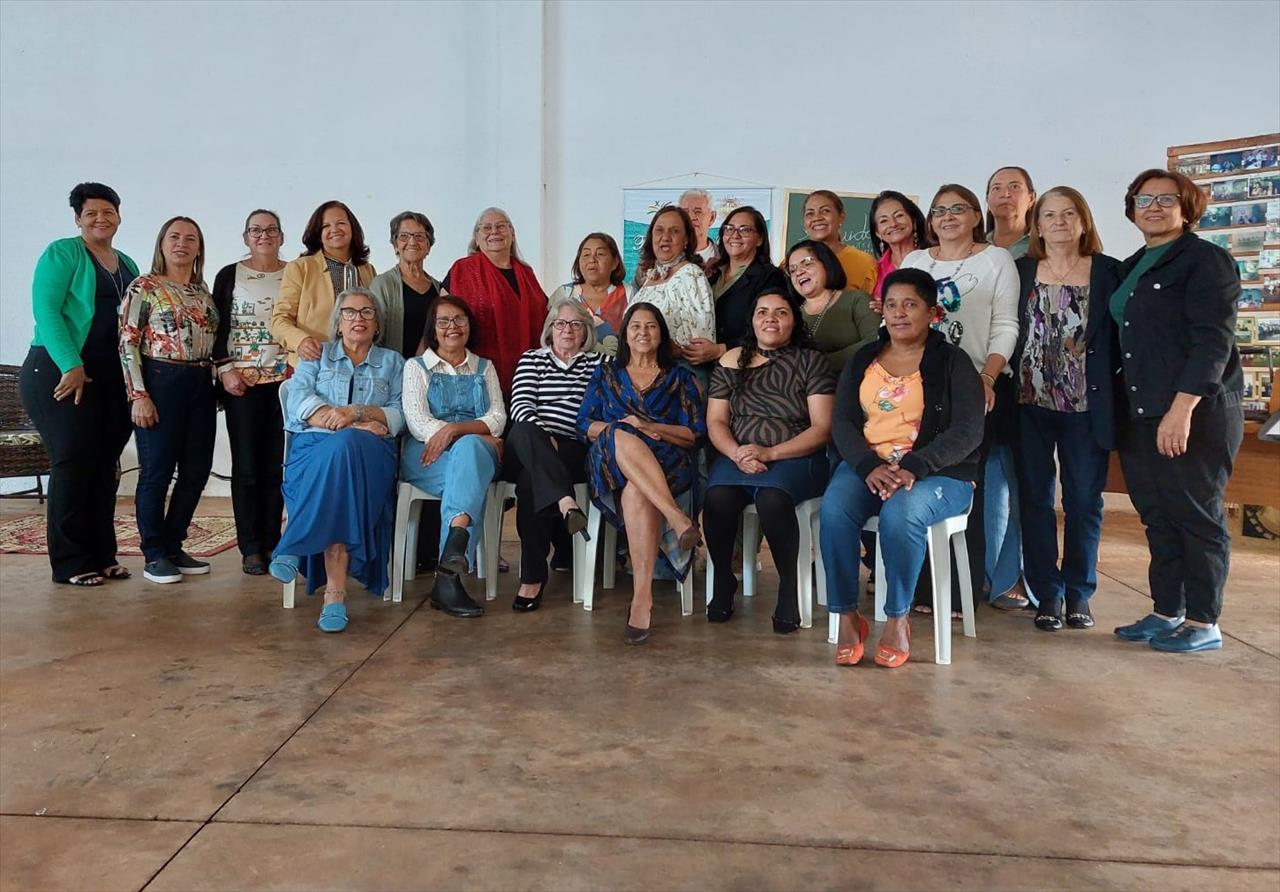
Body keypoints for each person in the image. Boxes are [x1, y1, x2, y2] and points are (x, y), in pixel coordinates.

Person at [819, 268, 984, 667]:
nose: (899, 313)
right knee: (835, 509)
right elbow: (842, 422)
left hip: (939, 474)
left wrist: (915, 465)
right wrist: (865, 464)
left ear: (932, 312)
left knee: (901, 514)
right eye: (891, 304)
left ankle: (897, 619)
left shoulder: (954, 362)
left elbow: (969, 430)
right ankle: (846, 617)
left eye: (910, 304)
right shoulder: (863, 359)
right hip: (869, 466)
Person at [1111, 169, 1243, 653]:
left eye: (1167, 199)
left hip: (1193, 412)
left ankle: (1205, 622)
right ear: (1131, 209)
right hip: (1140, 411)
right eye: (1144, 199)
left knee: (1197, 515)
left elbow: (1214, 341)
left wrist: (1182, 408)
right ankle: (1168, 611)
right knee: (1157, 515)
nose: (1154, 207)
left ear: (1188, 209)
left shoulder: (1207, 261)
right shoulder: (1132, 266)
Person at [900, 185, 1019, 612]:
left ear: (975, 215)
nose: (947, 216)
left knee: (964, 482)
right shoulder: (915, 260)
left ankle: (958, 591)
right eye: (939, 210)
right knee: (916, 479)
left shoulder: (996, 259)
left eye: (958, 209)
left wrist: (987, 376)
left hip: (975, 383)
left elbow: (1006, 323)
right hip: (917, 383)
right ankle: (916, 588)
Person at [18, 182, 139, 587]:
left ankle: (103, 554)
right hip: (58, 370)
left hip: (109, 376)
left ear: (119, 216)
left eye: (108, 212)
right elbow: (47, 311)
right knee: (71, 461)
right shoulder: (63, 252)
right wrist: (71, 363)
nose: (100, 219)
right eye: (91, 213)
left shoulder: (127, 264)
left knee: (106, 466)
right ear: (78, 219)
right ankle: (71, 562)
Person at [1013, 188, 1121, 632]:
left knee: (1082, 500)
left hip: (1085, 405)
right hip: (1027, 403)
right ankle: (1047, 593)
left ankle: (1080, 591)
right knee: (1035, 500)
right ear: (1036, 225)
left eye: (1068, 213)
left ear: (1083, 221)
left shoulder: (1110, 272)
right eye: (1049, 215)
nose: (1058, 221)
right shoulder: (1020, 272)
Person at [269, 288, 405, 632]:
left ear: (377, 324)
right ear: (338, 323)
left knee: (346, 449)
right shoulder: (317, 355)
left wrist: (356, 414)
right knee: (341, 463)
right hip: (315, 446)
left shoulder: (393, 362)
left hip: (371, 453)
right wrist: (342, 419)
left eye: (366, 313)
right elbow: (298, 399)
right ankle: (334, 594)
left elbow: (403, 413)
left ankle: (293, 543)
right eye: (349, 313)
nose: (358, 319)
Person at [704, 289, 835, 633]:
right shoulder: (731, 360)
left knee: (774, 500)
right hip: (738, 455)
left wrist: (770, 453)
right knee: (716, 498)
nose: (770, 319)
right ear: (752, 319)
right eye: (762, 312)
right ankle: (722, 579)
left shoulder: (811, 361)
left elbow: (822, 428)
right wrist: (736, 452)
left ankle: (789, 586)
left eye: (781, 312)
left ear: (794, 319)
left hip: (795, 455)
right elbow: (716, 421)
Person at [577, 303, 706, 645]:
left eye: (651, 326)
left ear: (661, 334)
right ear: (625, 334)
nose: (643, 333)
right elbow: (585, 424)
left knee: (636, 490)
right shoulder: (605, 374)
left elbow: (694, 433)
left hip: (667, 462)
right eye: (636, 326)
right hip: (610, 461)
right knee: (621, 433)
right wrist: (625, 427)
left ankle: (641, 598)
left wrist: (650, 427)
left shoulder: (679, 377)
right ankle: (677, 518)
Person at [119, 217, 219, 585]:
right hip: (160, 381)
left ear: (199, 247)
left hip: (200, 381)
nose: (182, 244)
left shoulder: (202, 291)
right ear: (162, 243)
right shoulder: (143, 287)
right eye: (174, 237)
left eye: (190, 238)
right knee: (157, 470)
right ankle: (154, 552)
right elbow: (127, 342)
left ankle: (175, 543)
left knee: (196, 469)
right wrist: (138, 394)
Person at [401, 295, 507, 619]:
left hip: (474, 451)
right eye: (444, 321)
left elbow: (499, 417)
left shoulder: (484, 367)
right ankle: (450, 571)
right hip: (426, 455)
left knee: (468, 451)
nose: (452, 327)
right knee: (469, 458)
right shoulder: (415, 367)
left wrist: (455, 431)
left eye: (459, 319)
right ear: (433, 328)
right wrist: (466, 432)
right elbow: (418, 423)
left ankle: (449, 570)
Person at [504, 298, 603, 609]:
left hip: (575, 445)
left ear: (587, 331)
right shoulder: (532, 359)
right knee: (521, 430)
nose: (567, 330)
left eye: (576, 324)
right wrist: (544, 439)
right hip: (532, 439)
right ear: (550, 329)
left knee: (530, 482)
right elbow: (521, 407)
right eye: (561, 323)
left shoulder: (599, 364)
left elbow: (602, 410)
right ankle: (565, 502)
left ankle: (532, 578)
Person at [211, 210, 290, 576]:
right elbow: (217, 328)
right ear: (245, 237)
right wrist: (225, 370)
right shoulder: (230, 275)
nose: (264, 235)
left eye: (271, 229)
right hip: (240, 384)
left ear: (282, 236)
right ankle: (251, 548)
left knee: (276, 466)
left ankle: (274, 542)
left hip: (285, 384)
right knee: (246, 468)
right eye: (256, 230)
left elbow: (301, 321)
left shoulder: (296, 273)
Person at [442, 207, 547, 397]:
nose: (494, 232)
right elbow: (440, 317)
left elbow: (544, 316)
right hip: (476, 374)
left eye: (501, 226)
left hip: (526, 376)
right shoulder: (462, 270)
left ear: (512, 234)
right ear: (476, 237)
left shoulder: (527, 273)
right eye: (486, 228)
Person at [270, 200, 375, 367]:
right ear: (318, 233)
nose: (334, 229)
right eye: (326, 226)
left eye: (341, 223)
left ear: (352, 228)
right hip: (313, 365)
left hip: (359, 367)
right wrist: (301, 341)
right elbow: (279, 320)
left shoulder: (367, 270)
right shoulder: (300, 267)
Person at [699, 206, 788, 359]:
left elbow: (771, 328)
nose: (735, 235)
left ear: (760, 239)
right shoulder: (712, 273)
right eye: (729, 229)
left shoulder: (770, 277)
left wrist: (721, 349)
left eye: (745, 230)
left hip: (744, 364)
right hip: (703, 362)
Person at [630, 206, 715, 364]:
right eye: (659, 230)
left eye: (674, 231)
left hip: (675, 376)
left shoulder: (690, 274)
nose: (665, 237)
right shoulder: (650, 277)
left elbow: (700, 345)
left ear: (686, 240)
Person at [783, 240, 880, 375]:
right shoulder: (791, 316)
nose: (799, 272)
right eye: (792, 270)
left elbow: (875, 342)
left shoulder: (857, 300)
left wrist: (818, 363)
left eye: (807, 263)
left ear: (826, 264)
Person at [368, 211, 445, 358]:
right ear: (395, 245)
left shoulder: (439, 288)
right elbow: (373, 336)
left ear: (428, 246)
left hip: (431, 374)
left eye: (419, 236)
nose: (412, 242)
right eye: (404, 236)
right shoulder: (382, 284)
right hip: (393, 372)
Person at [548, 233, 632, 356]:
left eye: (600, 254)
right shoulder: (564, 294)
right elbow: (548, 336)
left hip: (616, 372)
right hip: (571, 372)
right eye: (586, 254)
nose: (592, 260)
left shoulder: (629, 293)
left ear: (615, 262)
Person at [796, 190, 877, 294]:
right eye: (810, 213)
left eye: (825, 211)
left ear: (841, 217)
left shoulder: (865, 263)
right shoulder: (792, 263)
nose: (817, 218)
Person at [869, 190, 932, 303]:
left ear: (913, 221)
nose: (893, 224)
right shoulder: (874, 271)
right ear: (878, 233)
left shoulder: (935, 259)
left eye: (899, 215)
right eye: (884, 220)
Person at [985, 167, 1037, 259]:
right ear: (987, 200)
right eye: (996, 188)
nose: (1005, 194)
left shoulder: (1045, 246)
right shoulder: (973, 249)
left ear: (1031, 198)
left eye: (1015, 187)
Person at [678, 188, 719, 265]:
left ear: (712, 217)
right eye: (685, 212)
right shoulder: (668, 256)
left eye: (698, 212)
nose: (691, 217)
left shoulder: (726, 257)